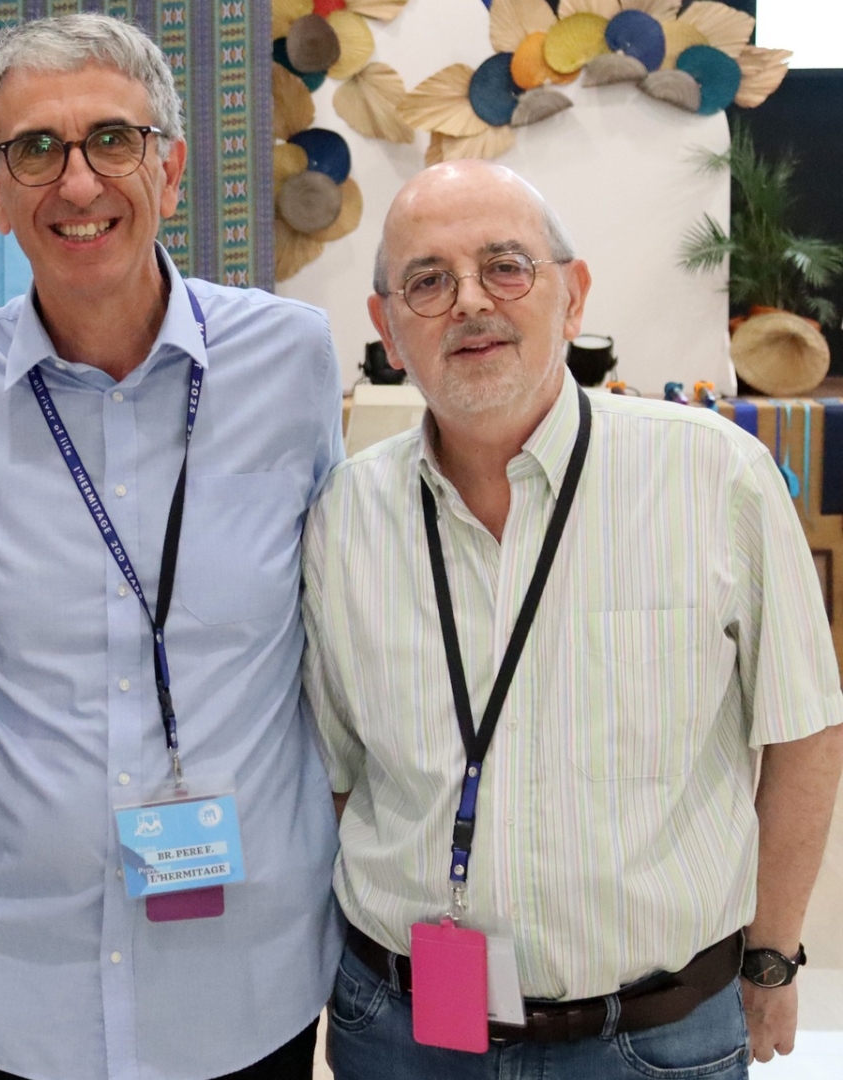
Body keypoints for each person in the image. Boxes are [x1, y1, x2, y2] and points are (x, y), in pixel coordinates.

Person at [304, 159, 843, 1078]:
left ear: (574, 294)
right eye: (427, 281)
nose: (470, 301)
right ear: (388, 328)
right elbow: (340, 773)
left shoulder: (716, 478)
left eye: (505, 266)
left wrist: (771, 956)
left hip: (653, 1038)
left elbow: (803, 731)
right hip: (402, 1030)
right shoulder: (345, 515)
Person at [0, 14, 344, 1080]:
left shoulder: (290, 360)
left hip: (244, 979)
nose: (78, 181)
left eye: (113, 139)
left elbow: (345, 623)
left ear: (170, 169)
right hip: (22, 983)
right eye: (35, 149)